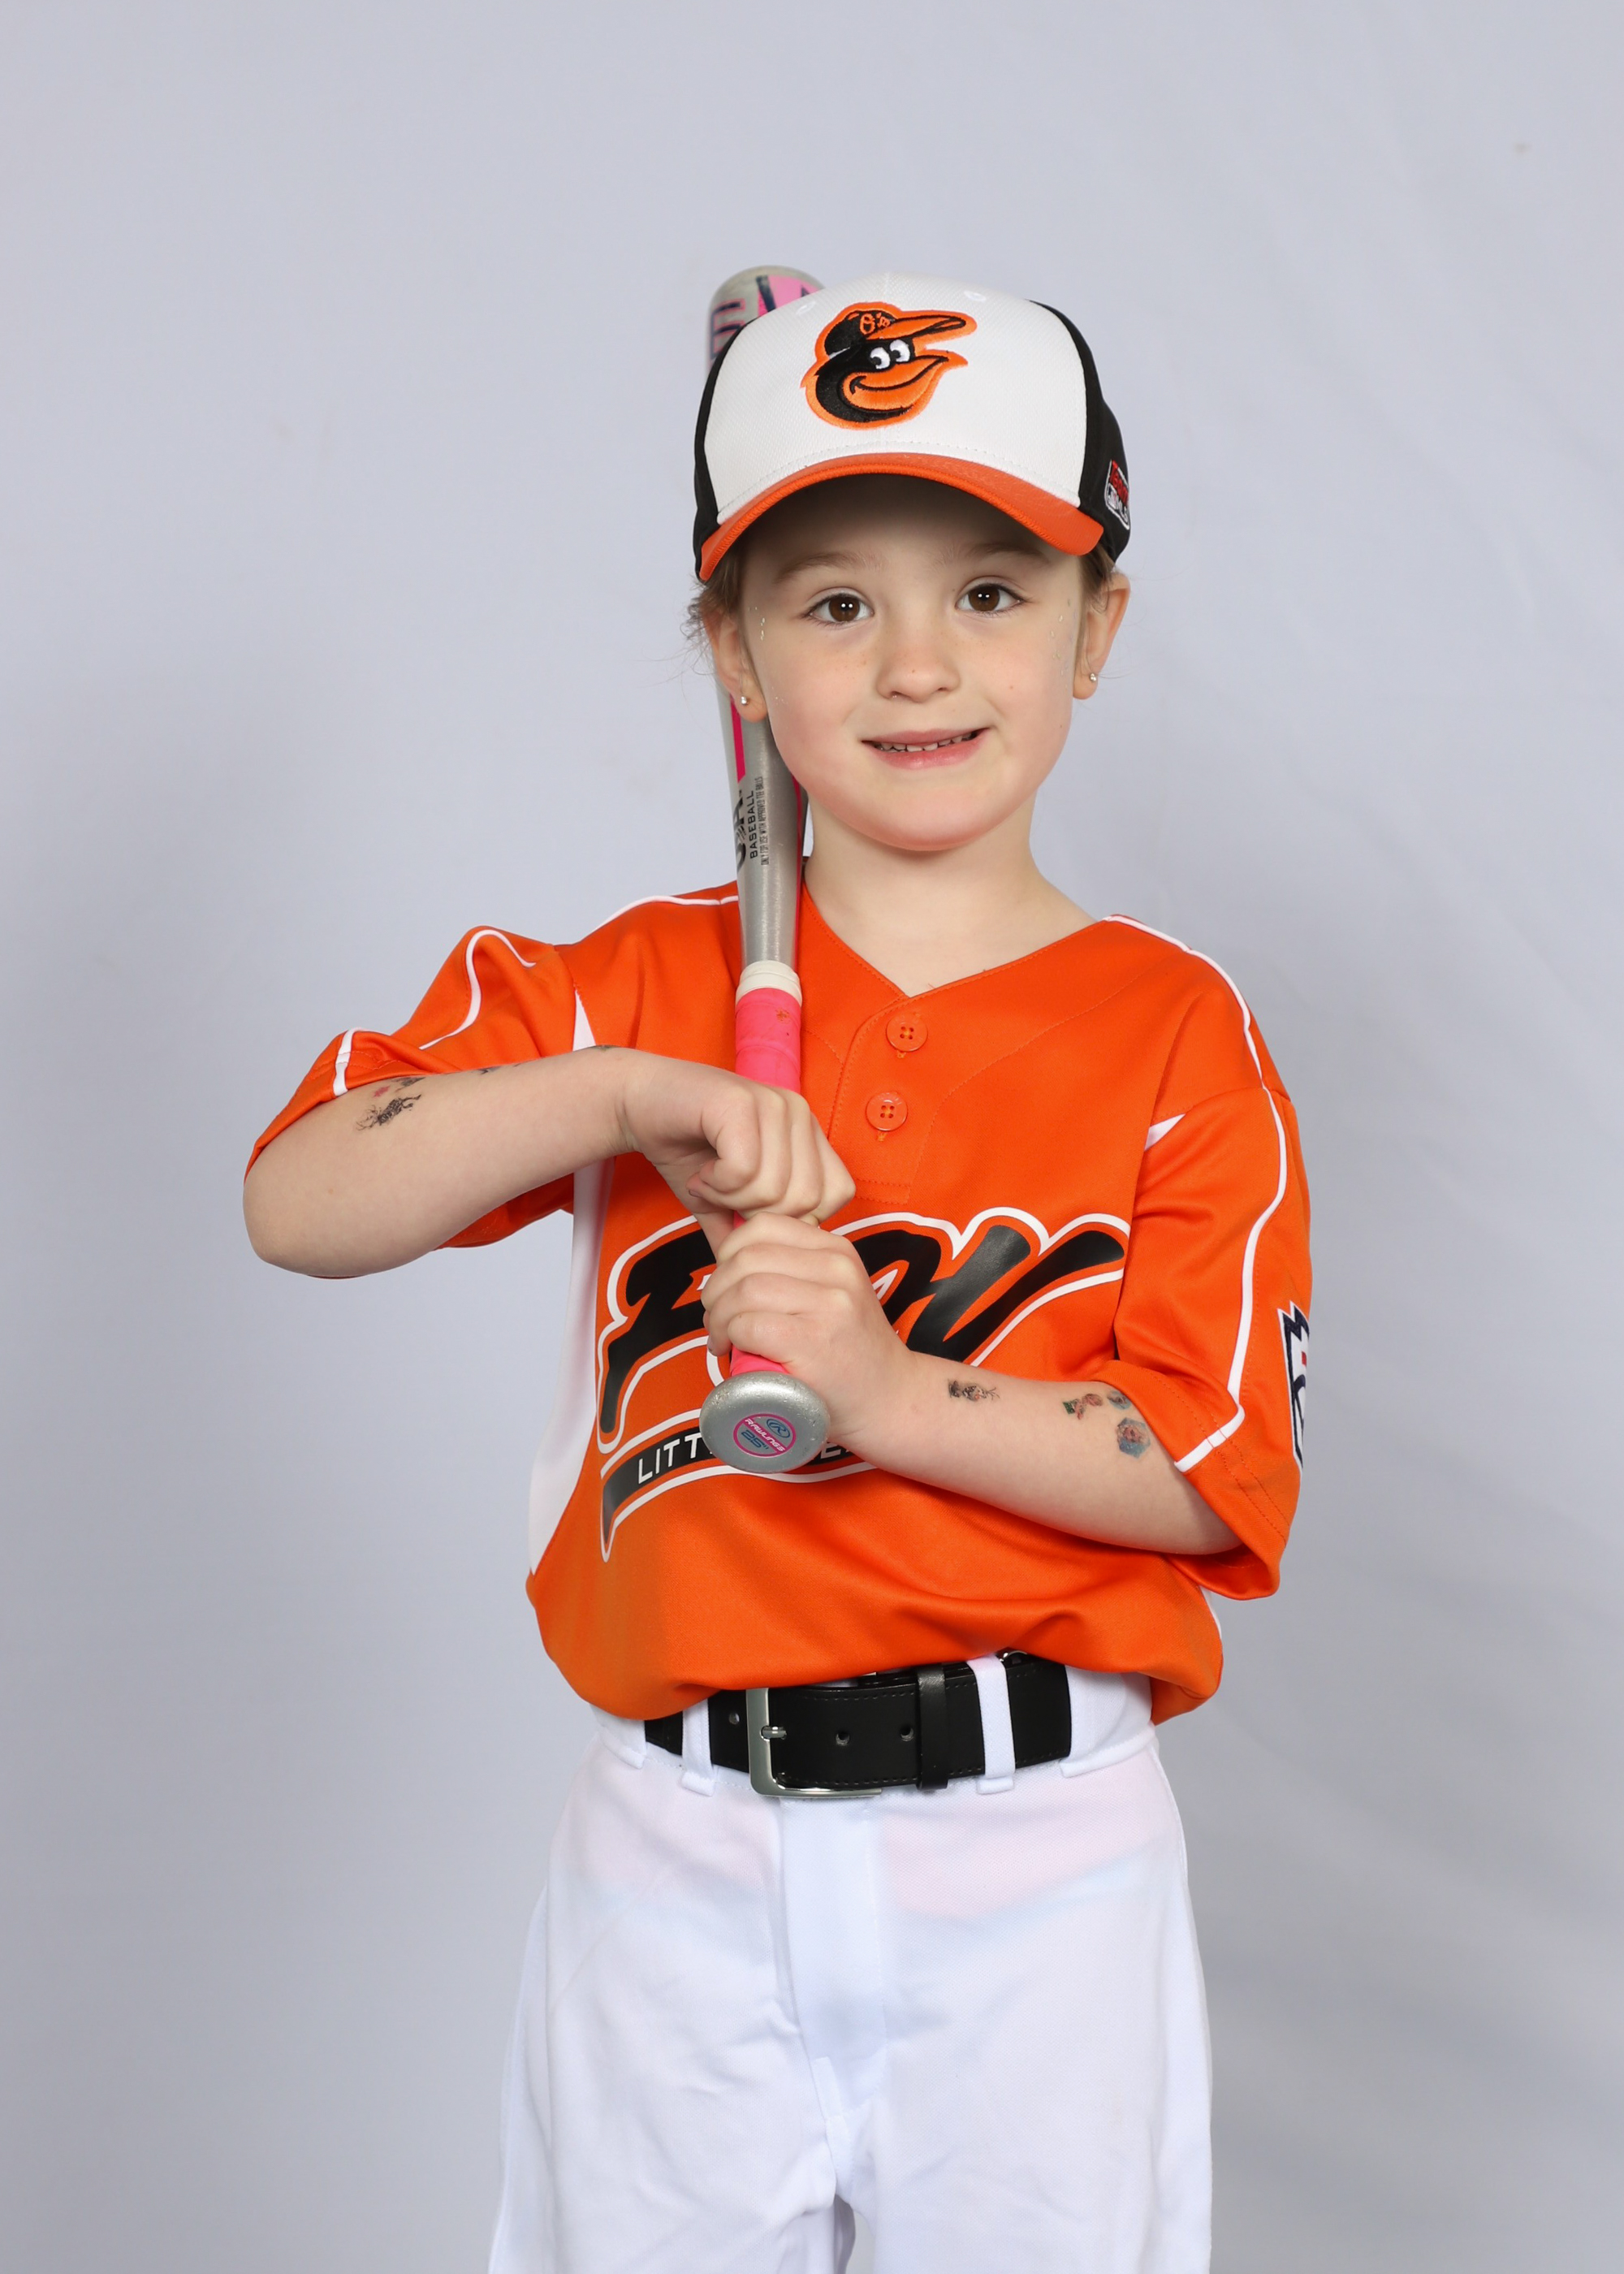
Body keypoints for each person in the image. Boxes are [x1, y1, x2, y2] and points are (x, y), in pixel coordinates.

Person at [244, 271, 1311, 2274]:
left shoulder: (1175, 1028)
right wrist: (620, 1095)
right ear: (733, 653)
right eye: (831, 603)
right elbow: (299, 1197)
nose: (916, 662)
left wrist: (888, 1391)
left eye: (990, 590)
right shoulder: (628, 994)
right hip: (678, 1848)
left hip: (1036, 1853)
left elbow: (1205, 1465)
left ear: (1096, 628)